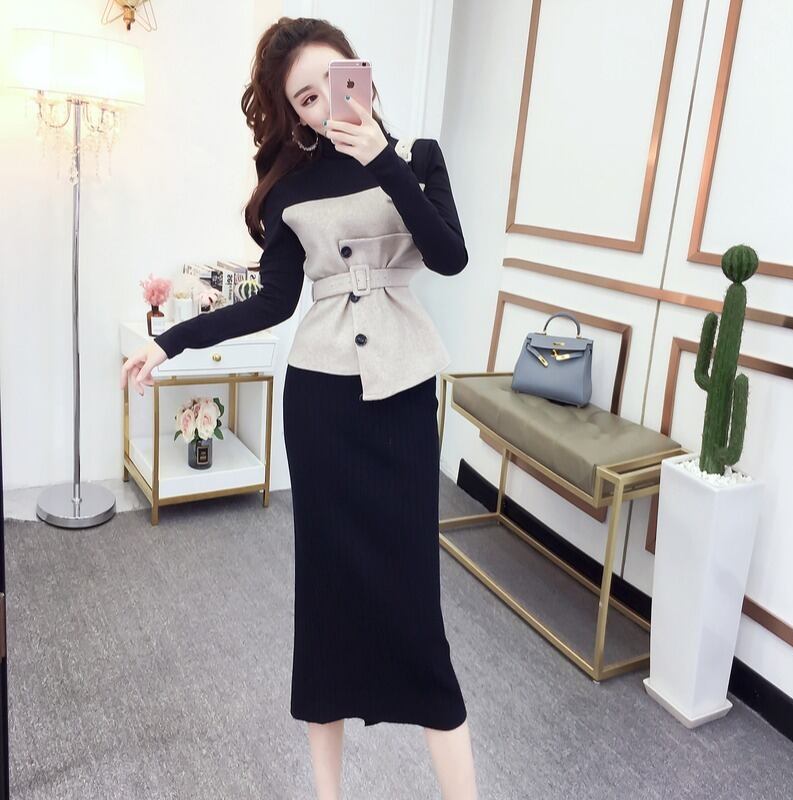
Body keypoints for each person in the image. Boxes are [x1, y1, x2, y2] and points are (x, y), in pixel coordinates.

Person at [120, 16, 477, 800]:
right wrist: (170, 341)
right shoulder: (288, 188)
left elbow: (449, 255)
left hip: (402, 395)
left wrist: (382, 160)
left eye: (331, 84)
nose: (321, 106)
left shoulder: (417, 159)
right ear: (294, 113)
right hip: (321, 404)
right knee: (326, 604)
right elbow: (272, 303)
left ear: (361, 73)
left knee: (416, 609)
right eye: (304, 99)